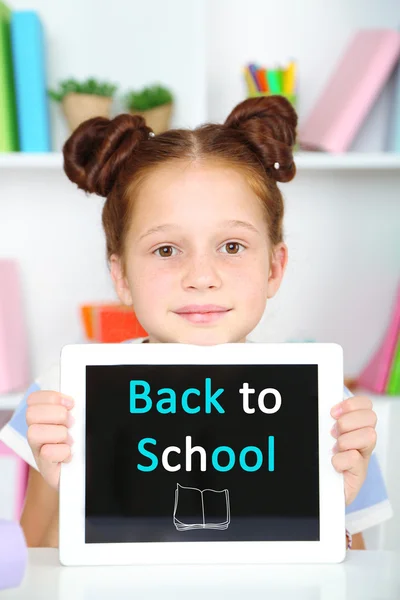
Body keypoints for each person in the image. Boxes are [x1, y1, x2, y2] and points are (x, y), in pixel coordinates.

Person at [0, 95, 392, 549]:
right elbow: (29, 572)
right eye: (166, 250)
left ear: (274, 268)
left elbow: (352, 581)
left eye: (231, 246)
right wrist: (64, 485)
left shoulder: (323, 404)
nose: (202, 278)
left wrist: (333, 509)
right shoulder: (64, 394)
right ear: (122, 275)